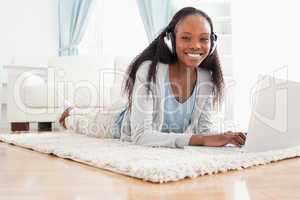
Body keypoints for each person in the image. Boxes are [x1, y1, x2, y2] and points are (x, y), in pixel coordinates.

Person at [59, 7, 246, 148]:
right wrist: (202, 139)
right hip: (117, 125)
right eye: (186, 38)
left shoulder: (207, 78)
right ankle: (71, 112)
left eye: (203, 39)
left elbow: (204, 131)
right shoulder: (148, 70)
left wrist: (227, 137)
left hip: (136, 112)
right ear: (171, 40)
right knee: (85, 123)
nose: (196, 45)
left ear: (212, 44)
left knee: (105, 111)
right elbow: (141, 136)